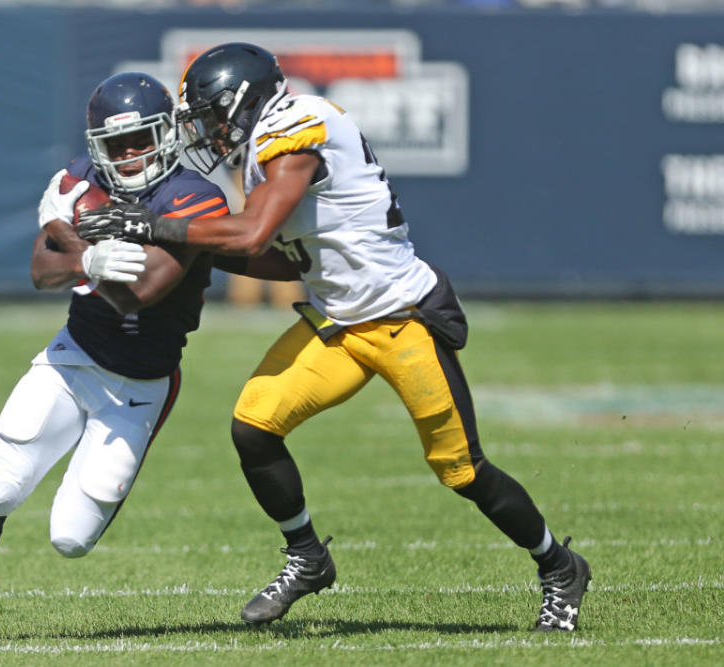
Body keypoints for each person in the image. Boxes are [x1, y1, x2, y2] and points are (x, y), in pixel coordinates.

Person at [76, 43, 592, 632]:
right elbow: (282, 260)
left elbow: (250, 235)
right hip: (338, 322)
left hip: (402, 320)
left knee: (462, 469)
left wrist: (150, 225)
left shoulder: (298, 126)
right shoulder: (262, 148)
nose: (210, 131)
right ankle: (307, 556)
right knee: (254, 425)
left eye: (213, 116)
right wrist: (194, 249)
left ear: (243, 103)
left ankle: (559, 567)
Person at [0, 72, 229, 649]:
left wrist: (81, 248)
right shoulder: (82, 178)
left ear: (166, 137)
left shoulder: (194, 197)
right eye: (115, 145)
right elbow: (40, 270)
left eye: (139, 142)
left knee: (70, 539)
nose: (127, 158)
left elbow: (145, 288)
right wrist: (88, 257)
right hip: (73, 357)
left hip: (140, 381)